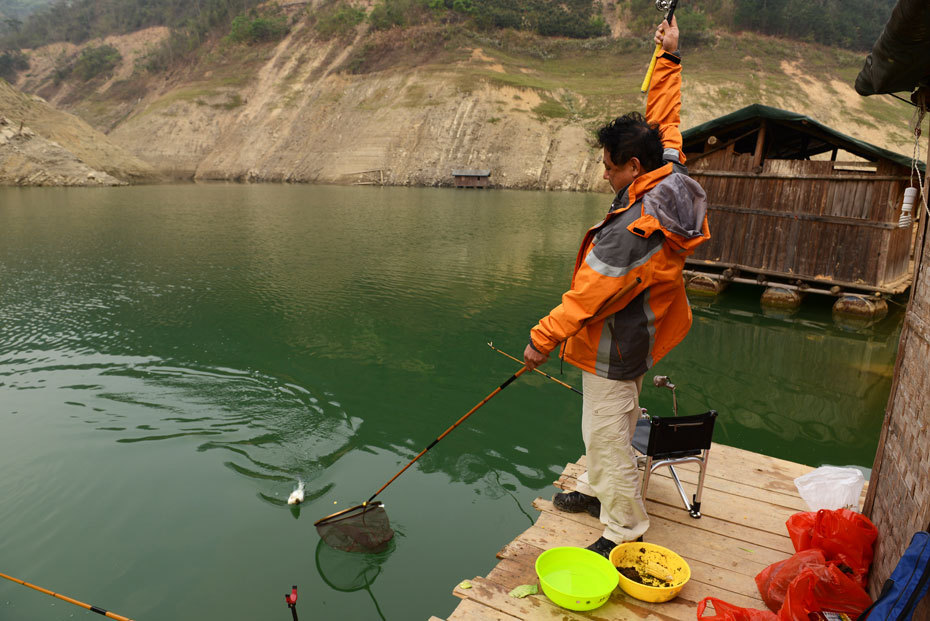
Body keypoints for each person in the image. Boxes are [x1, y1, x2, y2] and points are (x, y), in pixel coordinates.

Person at [522, 16, 710, 558]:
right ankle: (591, 487)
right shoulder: (667, 174)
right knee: (618, 416)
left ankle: (624, 527)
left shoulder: (633, 230)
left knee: (606, 432)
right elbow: (665, 121)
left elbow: (587, 295)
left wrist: (541, 340)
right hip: (646, 327)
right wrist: (669, 58)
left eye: (608, 167)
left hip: (617, 340)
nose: (604, 176)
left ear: (631, 166)